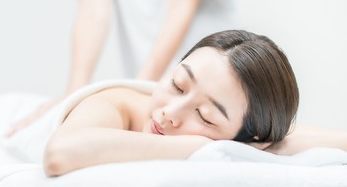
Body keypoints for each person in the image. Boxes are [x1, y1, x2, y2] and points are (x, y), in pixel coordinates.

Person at [5, 0, 243, 136]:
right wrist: (73, 95)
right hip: (155, 84)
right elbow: (94, 10)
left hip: (211, 74)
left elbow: (183, 2)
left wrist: (135, 89)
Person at [43, 30, 347, 177]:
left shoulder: (254, 135)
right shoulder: (115, 105)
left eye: (205, 116)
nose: (169, 114)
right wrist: (211, 146)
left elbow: (287, 138)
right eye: (177, 84)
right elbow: (60, 155)